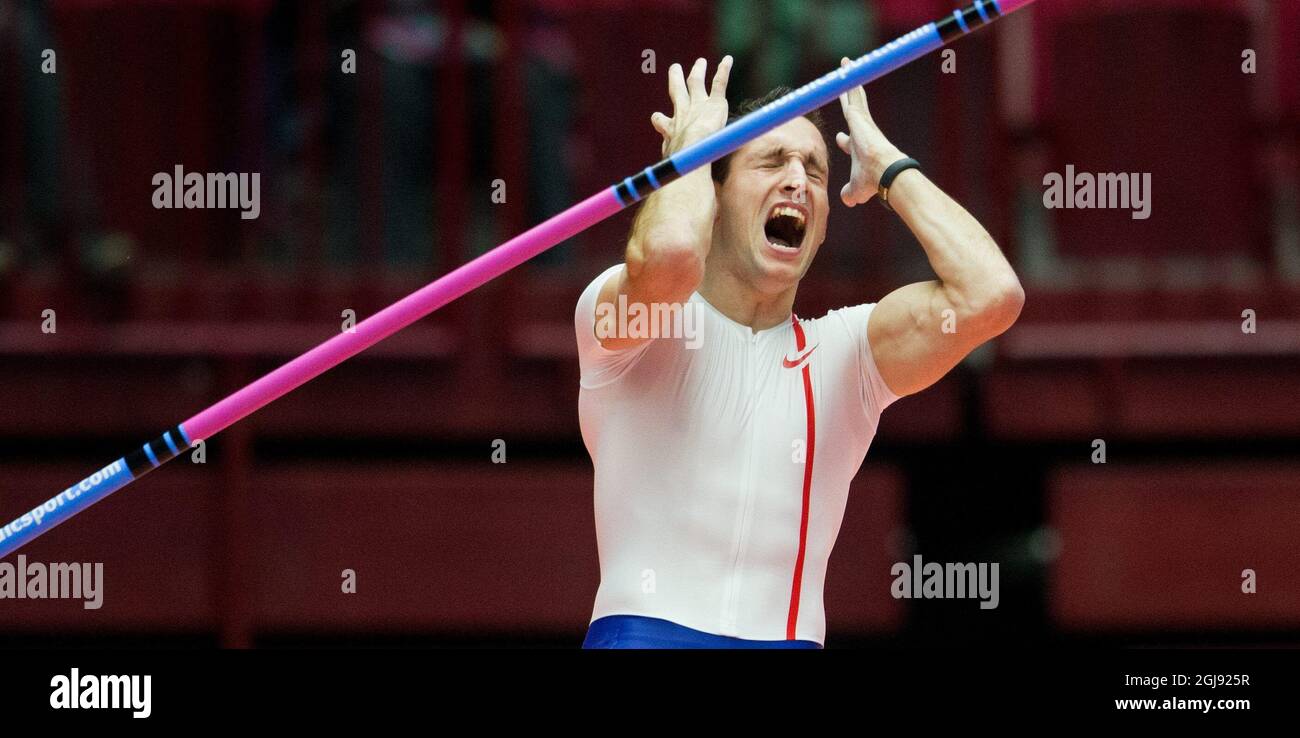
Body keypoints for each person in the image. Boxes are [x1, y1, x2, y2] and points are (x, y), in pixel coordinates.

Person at [575, 56, 1024, 648]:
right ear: (714, 193)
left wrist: (889, 168)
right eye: (770, 161)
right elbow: (671, 255)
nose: (797, 180)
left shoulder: (846, 355)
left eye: (814, 170)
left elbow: (992, 295)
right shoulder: (635, 321)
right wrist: (688, 153)